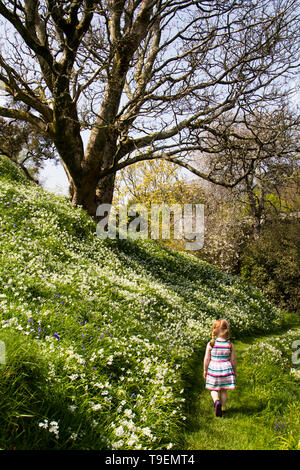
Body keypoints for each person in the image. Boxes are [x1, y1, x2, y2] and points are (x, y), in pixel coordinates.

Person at [203, 319, 236, 417]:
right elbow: (233, 360)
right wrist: (234, 371)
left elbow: (207, 359)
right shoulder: (230, 345)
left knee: (213, 389)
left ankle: (216, 402)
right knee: (223, 390)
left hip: (214, 369)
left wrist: (205, 369)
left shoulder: (211, 344)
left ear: (215, 330)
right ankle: (223, 408)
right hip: (226, 369)